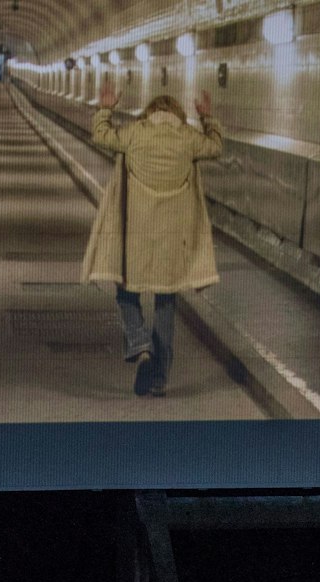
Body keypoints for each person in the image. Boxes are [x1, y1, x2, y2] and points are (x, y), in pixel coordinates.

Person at [79, 76, 224, 397]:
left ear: (149, 112)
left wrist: (105, 110)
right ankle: (159, 376)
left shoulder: (134, 133)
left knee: (126, 293)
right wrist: (208, 118)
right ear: (177, 114)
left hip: (136, 234)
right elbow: (216, 147)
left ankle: (140, 345)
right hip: (173, 238)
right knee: (166, 301)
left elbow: (101, 135)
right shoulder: (188, 138)